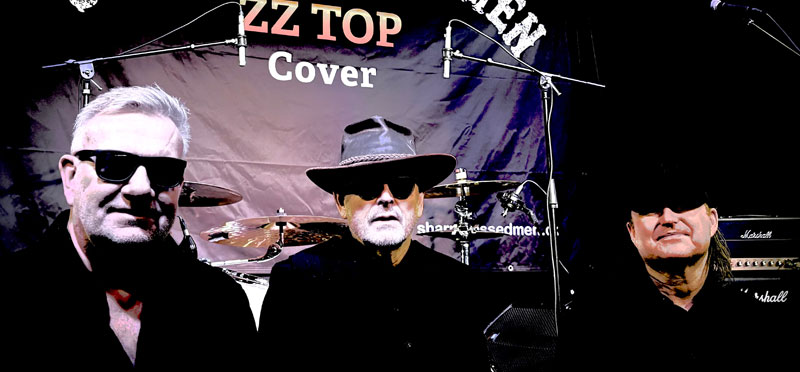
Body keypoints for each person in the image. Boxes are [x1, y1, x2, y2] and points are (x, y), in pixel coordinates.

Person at [2, 85, 256, 370]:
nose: (140, 188)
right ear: (71, 178)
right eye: (114, 165)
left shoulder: (219, 300)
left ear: (179, 186)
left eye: (164, 171)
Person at [258, 116, 490, 372]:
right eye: (368, 186)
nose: (386, 198)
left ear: (420, 202)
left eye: (401, 186)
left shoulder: (455, 282)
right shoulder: (297, 281)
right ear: (341, 202)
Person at [559, 161, 782, 371]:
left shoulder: (754, 323)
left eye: (684, 203)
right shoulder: (592, 326)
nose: (668, 217)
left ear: (712, 221)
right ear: (632, 232)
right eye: (650, 207)